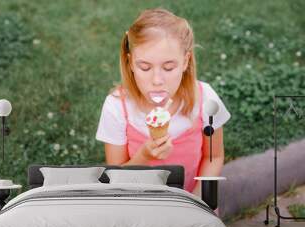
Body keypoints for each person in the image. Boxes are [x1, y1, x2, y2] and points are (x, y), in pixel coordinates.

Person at [95, 8, 231, 196]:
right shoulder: (117, 107)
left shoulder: (205, 99)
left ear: (185, 61)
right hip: (139, 205)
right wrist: (144, 156)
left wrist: (199, 200)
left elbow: (213, 157)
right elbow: (115, 178)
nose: (157, 80)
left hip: (193, 201)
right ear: (131, 63)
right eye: (144, 67)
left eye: (168, 67)